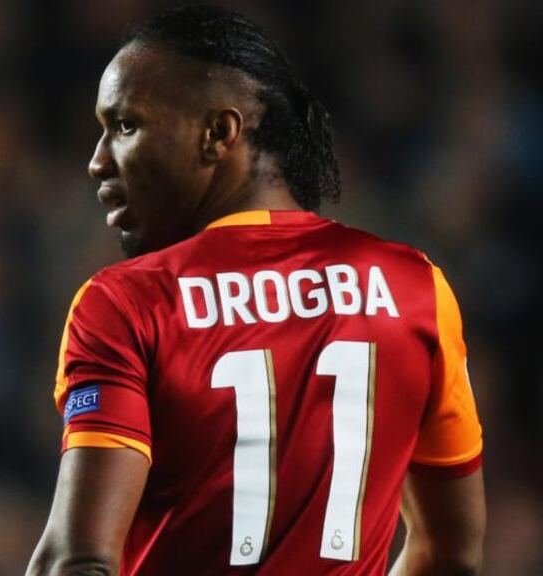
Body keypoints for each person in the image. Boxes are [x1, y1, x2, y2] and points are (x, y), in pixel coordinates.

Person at [26, 5, 485, 576]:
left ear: (218, 133)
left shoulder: (128, 304)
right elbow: (451, 552)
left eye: (124, 126)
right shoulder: (416, 286)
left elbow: (77, 560)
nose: (97, 162)